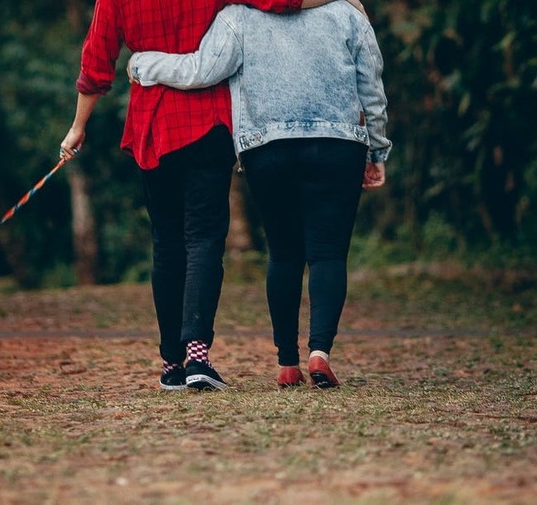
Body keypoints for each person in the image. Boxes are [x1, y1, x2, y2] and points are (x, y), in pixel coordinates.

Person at [59, 0, 351, 391]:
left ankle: (171, 364)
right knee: (204, 241)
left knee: (166, 243)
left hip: (152, 128)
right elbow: (281, 2)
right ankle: (198, 356)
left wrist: (78, 127)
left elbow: (97, 62)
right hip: (207, 124)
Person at [128, 0, 391, 388]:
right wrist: (377, 148)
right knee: (328, 253)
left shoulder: (238, 17)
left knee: (283, 252)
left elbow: (200, 70)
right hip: (339, 144)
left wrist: (143, 64)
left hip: (267, 148)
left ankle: (287, 362)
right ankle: (320, 353)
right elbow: (371, 83)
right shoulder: (348, 13)